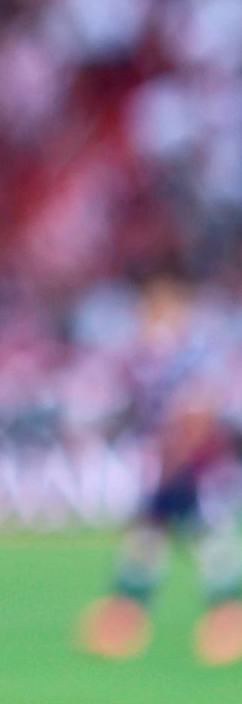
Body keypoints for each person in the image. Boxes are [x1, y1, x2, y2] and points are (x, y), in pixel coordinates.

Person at [78, 277, 242, 665]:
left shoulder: (191, 355)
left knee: (181, 534)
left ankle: (131, 615)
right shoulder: (148, 358)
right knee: (177, 536)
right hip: (170, 461)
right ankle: (132, 614)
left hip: (195, 464)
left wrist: (178, 458)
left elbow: (200, 413)